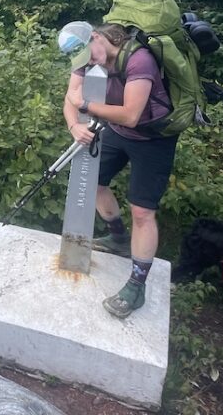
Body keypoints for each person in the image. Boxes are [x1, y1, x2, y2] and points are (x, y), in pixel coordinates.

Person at [57, 21, 177, 318]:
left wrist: (85, 104)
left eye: (89, 55)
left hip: (153, 138)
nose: (88, 64)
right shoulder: (86, 57)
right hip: (117, 132)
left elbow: (131, 114)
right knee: (95, 182)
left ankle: (136, 286)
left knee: (142, 211)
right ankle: (118, 238)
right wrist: (74, 125)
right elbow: (69, 97)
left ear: (96, 38)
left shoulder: (139, 60)